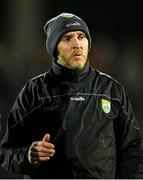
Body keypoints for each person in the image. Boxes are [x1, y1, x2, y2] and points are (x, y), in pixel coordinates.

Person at [0, 12, 143, 179]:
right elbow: (7, 152)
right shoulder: (34, 92)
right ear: (54, 48)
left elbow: (132, 152)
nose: (77, 44)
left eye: (81, 36)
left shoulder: (112, 90)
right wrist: (28, 156)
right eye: (67, 38)